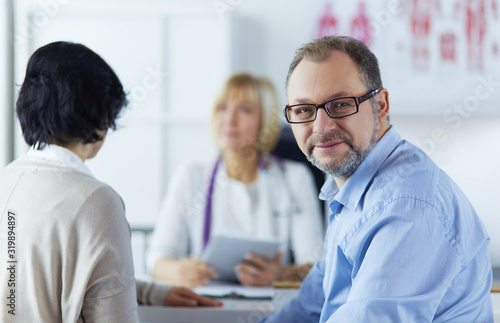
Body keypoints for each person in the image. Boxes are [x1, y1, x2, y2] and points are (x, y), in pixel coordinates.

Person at [261, 36, 493, 322]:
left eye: (341, 104)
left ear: (380, 105)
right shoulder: (349, 190)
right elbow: (310, 305)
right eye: (304, 110)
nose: (320, 127)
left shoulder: (407, 207)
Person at [0, 41, 221, 323]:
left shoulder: (5, 181)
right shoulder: (96, 201)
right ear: (101, 117)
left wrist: (152, 292)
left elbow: (23, 283)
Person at [147, 72, 324, 287]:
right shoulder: (190, 176)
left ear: (265, 119)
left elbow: (316, 264)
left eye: (244, 110)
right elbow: (157, 260)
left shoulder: (295, 178)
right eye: (222, 108)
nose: (229, 120)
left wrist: (282, 274)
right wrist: (179, 272)